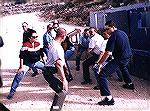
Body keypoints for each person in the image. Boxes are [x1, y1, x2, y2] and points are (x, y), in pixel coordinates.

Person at [96, 20, 134, 105]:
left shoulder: (113, 36)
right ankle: (129, 84)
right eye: (105, 29)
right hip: (128, 57)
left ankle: (109, 99)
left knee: (102, 74)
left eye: (108, 28)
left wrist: (100, 64)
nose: (106, 31)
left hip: (120, 59)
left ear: (113, 27)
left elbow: (108, 53)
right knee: (123, 68)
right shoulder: (122, 32)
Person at [7, 31, 45, 99]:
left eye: (36, 36)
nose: (36, 38)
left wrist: (44, 62)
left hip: (36, 62)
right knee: (18, 76)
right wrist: (21, 67)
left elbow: (41, 53)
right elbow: (21, 57)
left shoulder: (38, 44)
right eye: (34, 37)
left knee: (48, 68)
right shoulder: (25, 45)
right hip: (27, 64)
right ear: (30, 38)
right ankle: (12, 92)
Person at [43, 28, 68, 111]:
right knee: (62, 91)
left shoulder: (55, 44)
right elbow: (58, 64)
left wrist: (66, 69)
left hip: (50, 71)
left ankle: (55, 109)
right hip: (50, 72)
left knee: (60, 90)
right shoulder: (57, 47)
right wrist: (63, 79)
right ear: (63, 36)